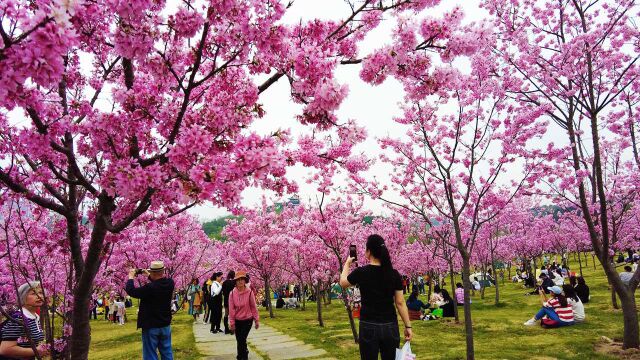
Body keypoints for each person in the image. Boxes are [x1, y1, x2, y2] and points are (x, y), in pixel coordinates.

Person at [340, 234, 412, 360]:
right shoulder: (394, 274)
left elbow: (343, 283)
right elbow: (400, 303)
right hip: (390, 326)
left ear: (368, 252)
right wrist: (408, 326)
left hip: (368, 325)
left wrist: (347, 264)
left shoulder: (361, 272)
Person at [125, 260, 175, 360]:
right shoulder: (170, 283)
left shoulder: (149, 288)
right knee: (167, 351)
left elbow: (132, 291)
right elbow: (159, 282)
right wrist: (149, 275)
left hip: (151, 325)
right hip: (165, 324)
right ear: (163, 271)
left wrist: (131, 277)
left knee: (150, 354)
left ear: (153, 272)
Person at [0, 282, 49, 360]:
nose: (39, 296)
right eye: (33, 293)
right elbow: (5, 349)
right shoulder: (19, 318)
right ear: (22, 297)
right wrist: (36, 351)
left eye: (41, 293)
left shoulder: (35, 317)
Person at [228, 271, 259, 360]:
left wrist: (256, 320)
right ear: (235, 282)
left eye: (242, 279)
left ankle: (244, 357)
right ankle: (240, 355)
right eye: (238, 280)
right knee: (239, 340)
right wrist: (232, 323)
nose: (240, 281)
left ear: (245, 281)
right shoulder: (232, 293)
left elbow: (253, 307)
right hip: (237, 320)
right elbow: (231, 310)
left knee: (241, 339)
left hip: (247, 320)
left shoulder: (249, 292)